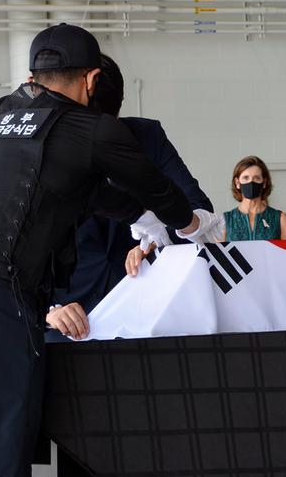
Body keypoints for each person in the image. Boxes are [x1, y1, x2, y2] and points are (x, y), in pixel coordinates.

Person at [0, 23, 219, 477]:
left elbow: (88, 194)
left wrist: (140, 222)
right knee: (4, 472)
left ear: (33, 77)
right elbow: (161, 193)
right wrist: (191, 225)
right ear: (93, 80)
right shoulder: (94, 129)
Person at [45, 54, 213, 341]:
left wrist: (159, 237)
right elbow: (16, 243)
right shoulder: (45, 144)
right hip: (66, 316)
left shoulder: (147, 136)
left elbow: (197, 208)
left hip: (143, 306)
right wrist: (47, 309)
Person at [224, 155, 286, 241]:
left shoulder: (281, 219)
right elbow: (217, 253)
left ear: (264, 182)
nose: (251, 182)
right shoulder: (225, 220)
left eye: (256, 178)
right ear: (237, 183)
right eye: (246, 178)